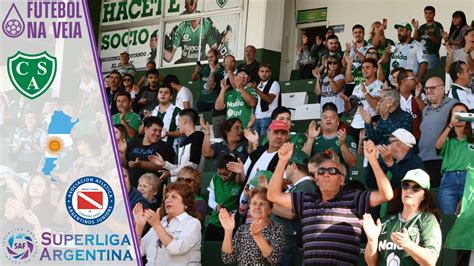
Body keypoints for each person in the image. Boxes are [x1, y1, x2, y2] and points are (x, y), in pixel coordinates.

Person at [267, 141, 393, 265]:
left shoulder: (354, 199)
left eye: (332, 171)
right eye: (321, 171)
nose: (326, 174)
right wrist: (282, 161)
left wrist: (372, 160)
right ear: (316, 179)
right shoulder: (306, 200)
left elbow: (386, 194)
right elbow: (273, 196)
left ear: (342, 179)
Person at [363, 169, 442, 266]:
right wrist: (372, 240)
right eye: (405, 186)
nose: (409, 190)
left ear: (424, 195)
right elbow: (371, 263)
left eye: (416, 188)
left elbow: (431, 260)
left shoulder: (428, 219)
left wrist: (408, 244)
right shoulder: (387, 220)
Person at [134, 182, 201, 265]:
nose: (168, 200)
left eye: (174, 197)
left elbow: (176, 249)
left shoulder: (193, 223)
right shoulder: (160, 222)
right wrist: (139, 227)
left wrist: (157, 225)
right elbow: (134, 254)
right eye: (167, 197)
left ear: (186, 204)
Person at [270, 149, 317, 266]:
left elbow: (291, 213)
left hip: (288, 243)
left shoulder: (306, 186)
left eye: (287, 165)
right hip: (282, 242)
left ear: (293, 165)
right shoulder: (298, 186)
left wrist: (269, 204)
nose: (286, 169)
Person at [220, 187, 285, 265]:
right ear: (249, 208)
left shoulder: (277, 229)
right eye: (254, 203)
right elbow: (228, 259)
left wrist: (258, 236)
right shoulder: (242, 229)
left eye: (262, 204)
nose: (257, 207)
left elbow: (274, 259)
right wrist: (228, 231)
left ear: (270, 209)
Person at [418, 77, 458, 188]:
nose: (429, 91)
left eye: (433, 88)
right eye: (426, 88)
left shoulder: (453, 105)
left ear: (442, 89)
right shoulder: (426, 109)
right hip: (424, 158)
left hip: (443, 159)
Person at [435, 103, 474, 214]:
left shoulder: (472, 138)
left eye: (463, 113)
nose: (460, 116)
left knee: (467, 218)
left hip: (470, 180)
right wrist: (450, 125)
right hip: (448, 180)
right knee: (448, 218)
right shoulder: (447, 138)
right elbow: (437, 146)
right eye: (456, 113)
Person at [148, 109, 204, 182]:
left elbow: (192, 166)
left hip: (192, 185)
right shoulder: (184, 142)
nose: (177, 125)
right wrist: (164, 164)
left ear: (184, 121)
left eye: (179, 120)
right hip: (181, 184)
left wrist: (170, 173)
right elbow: (181, 167)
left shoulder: (198, 136)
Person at [302, 102, 357, 169]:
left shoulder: (347, 138)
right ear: (321, 123)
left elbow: (352, 164)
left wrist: (342, 144)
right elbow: (302, 161)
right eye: (325, 117)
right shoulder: (314, 139)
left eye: (332, 117)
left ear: (338, 122)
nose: (328, 119)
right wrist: (310, 139)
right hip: (317, 178)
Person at [126, 116, 176, 188]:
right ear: (146, 129)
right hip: (131, 191)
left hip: (153, 193)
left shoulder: (165, 147)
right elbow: (124, 162)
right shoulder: (132, 144)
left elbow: (160, 166)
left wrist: (140, 163)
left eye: (160, 131)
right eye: (155, 130)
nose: (158, 134)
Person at [204, 154, 244, 241]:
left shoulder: (238, 181)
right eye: (220, 174)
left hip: (231, 222)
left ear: (233, 171)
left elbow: (242, 204)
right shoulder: (215, 178)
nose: (222, 177)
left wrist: (232, 213)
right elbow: (210, 200)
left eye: (225, 174)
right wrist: (216, 206)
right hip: (215, 220)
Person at [191, 48, 226, 137]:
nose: (209, 59)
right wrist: (196, 71)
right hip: (202, 100)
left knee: (212, 123)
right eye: (208, 57)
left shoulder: (221, 69)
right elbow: (193, 78)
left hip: (213, 100)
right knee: (197, 122)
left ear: (217, 56)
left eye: (212, 57)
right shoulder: (204, 68)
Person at [348, 58, 383, 144]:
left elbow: (376, 106)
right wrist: (346, 102)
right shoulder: (357, 86)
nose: (364, 70)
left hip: (370, 124)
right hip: (355, 124)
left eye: (367, 67)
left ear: (375, 69)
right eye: (363, 67)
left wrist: (365, 91)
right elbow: (351, 109)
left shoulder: (380, 85)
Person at [251, 64, 281, 134]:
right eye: (262, 71)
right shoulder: (259, 85)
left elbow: (269, 100)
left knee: (264, 142)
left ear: (270, 73)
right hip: (257, 118)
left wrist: (256, 89)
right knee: (256, 142)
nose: (264, 74)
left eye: (267, 71)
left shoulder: (274, 83)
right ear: (258, 73)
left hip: (268, 117)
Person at [396, 69, 425, 143]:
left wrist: (418, 98)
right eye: (413, 78)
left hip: (416, 139)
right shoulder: (393, 97)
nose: (416, 81)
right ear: (404, 81)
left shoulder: (420, 95)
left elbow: (426, 113)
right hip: (398, 140)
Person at [344, 24, 373, 93]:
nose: (358, 34)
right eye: (355, 32)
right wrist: (346, 52)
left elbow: (369, 62)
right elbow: (344, 65)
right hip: (350, 82)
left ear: (364, 33)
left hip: (364, 82)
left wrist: (356, 52)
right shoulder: (350, 48)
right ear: (353, 34)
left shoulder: (370, 47)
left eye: (360, 32)